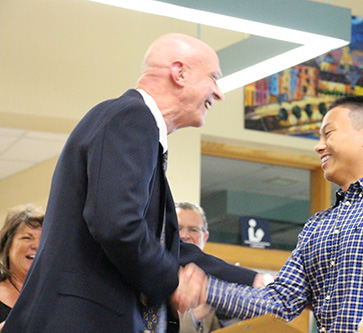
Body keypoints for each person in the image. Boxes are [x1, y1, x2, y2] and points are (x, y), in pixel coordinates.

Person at [3, 33, 260, 333]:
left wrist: (254, 281)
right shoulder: (132, 117)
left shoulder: (136, 127)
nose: (219, 92)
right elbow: (116, 225)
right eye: (214, 78)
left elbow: (169, 248)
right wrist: (173, 282)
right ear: (180, 73)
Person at [203, 96, 363, 332]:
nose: (318, 146)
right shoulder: (317, 225)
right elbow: (279, 301)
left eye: (328, 133)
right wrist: (205, 290)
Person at [175, 201, 221, 333]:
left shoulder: (212, 280)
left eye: (193, 230)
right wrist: (195, 316)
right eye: (178, 229)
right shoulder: (153, 274)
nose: (184, 236)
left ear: (205, 237)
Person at [0, 204, 44, 330]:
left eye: (42, 239)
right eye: (27, 238)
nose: (36, 245)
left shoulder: (56, 291)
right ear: (7, 246)